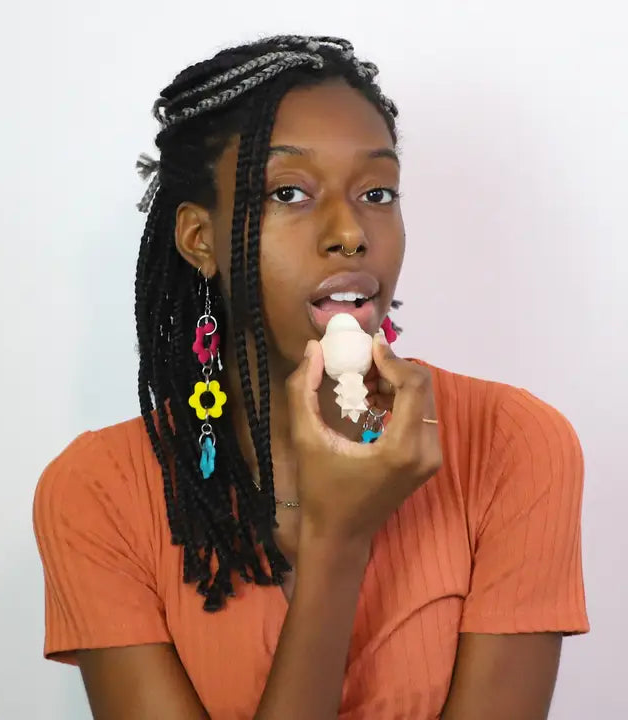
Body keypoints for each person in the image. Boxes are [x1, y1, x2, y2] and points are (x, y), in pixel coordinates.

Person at [33, 35, 589, 720]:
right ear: (200, 239)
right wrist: (336, 543)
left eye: (377, 192)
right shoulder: (99, 493)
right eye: (289, 192)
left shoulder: (512, 444)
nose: (350, 232)